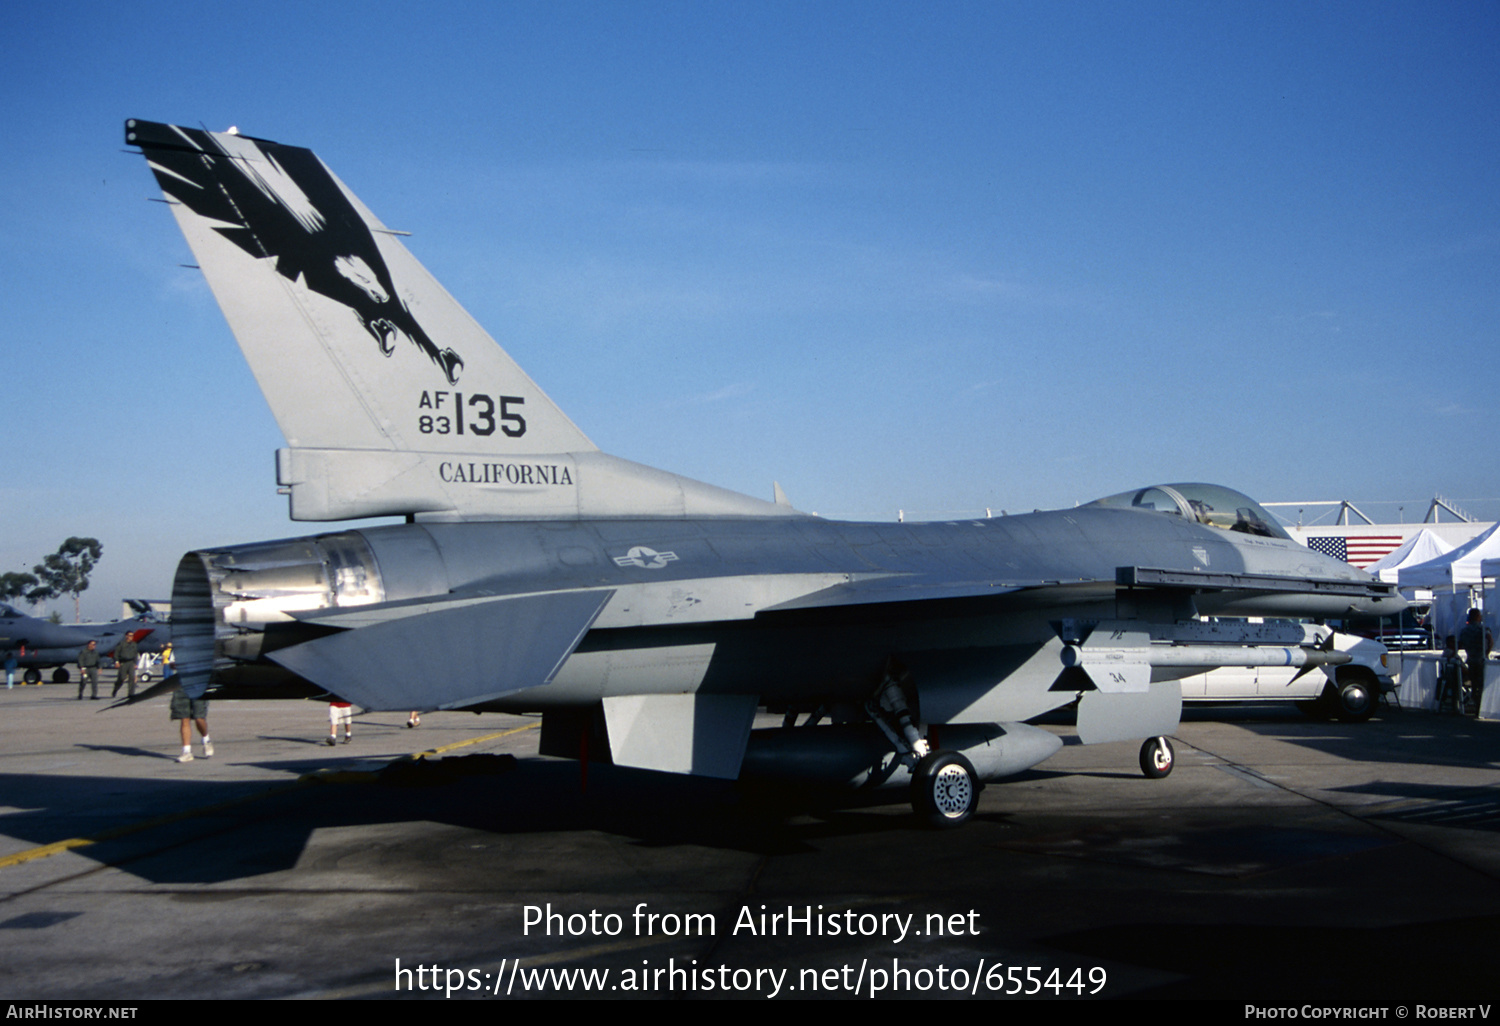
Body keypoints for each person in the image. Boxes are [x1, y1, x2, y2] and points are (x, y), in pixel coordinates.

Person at [1457, 608, 1493, 715]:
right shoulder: (1482, 629)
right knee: (1483, 684)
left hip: (1471, 660)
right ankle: (1481, 706)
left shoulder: (1465, 630)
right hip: (1481, 660)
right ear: (1478, 616)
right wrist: (1487, 652)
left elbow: (1460, 644)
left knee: (1474, 684)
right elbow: (1490, 640)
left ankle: (1476, 704)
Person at [170, 688, 211, 763]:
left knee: (199, 718)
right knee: (184, 718)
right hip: (181, 685)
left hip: (198, 686)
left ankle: (206, 740)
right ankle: (186, 752)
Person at [1437, 635, 1466, 714]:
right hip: (1454, 677)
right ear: (1449, 643)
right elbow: (1456, 665)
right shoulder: (1449, 652)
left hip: (1455, 676)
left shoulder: (1452, 652)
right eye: (1453, 642)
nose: (1455, 644)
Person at [111, 633, 140, 699]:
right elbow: (116, 653)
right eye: (130, 635)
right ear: (126, 636)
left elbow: (135, 654)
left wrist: (135, 663)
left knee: (132, 678)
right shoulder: (121, 644)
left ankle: (131, 694)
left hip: (131, 663)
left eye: (132, 636)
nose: (131, 637)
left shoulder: (134, 644)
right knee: (122, 678)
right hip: (123, 663)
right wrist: (116, 661)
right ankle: (115, 689)